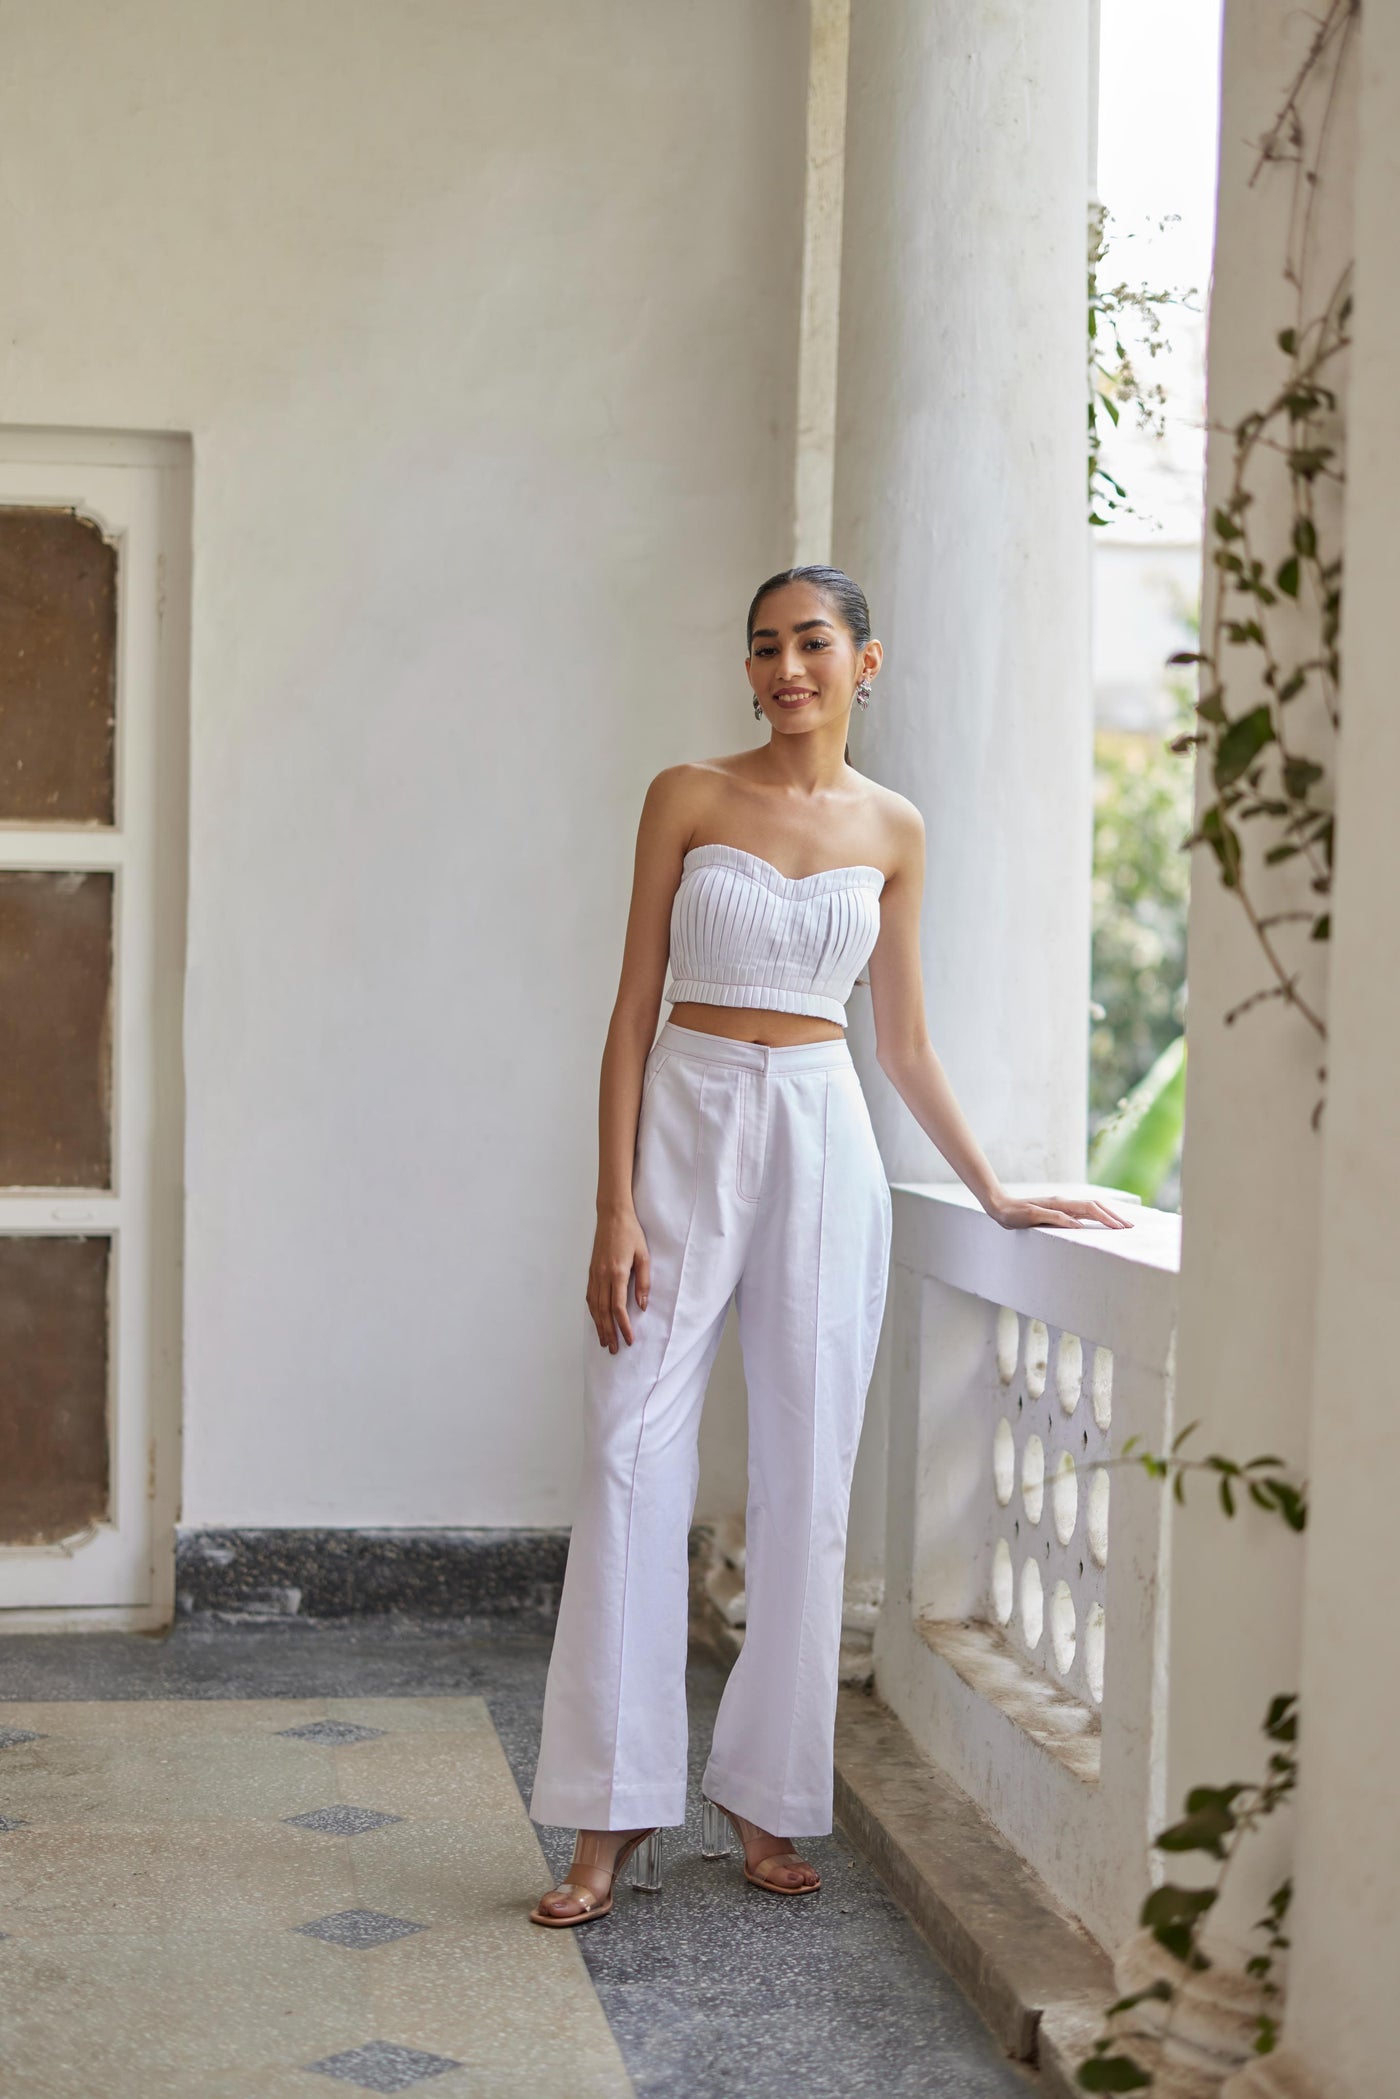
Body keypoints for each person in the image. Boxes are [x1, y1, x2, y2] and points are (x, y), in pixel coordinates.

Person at [527, 564, 1131, 1927]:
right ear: (747, 671)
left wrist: (998, 1192)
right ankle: (608, 1811)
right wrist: (613, 1203)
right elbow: (631, 1012)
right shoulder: (685, 793)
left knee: (810, 1472)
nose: (785, 665)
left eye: (812, 641)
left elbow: (902, 1045)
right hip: (684, 1113)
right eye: (764, 646)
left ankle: (767, 1793)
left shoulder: (899, 829)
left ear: (868, 660)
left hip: (821, 1132)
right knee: (629, 1455)